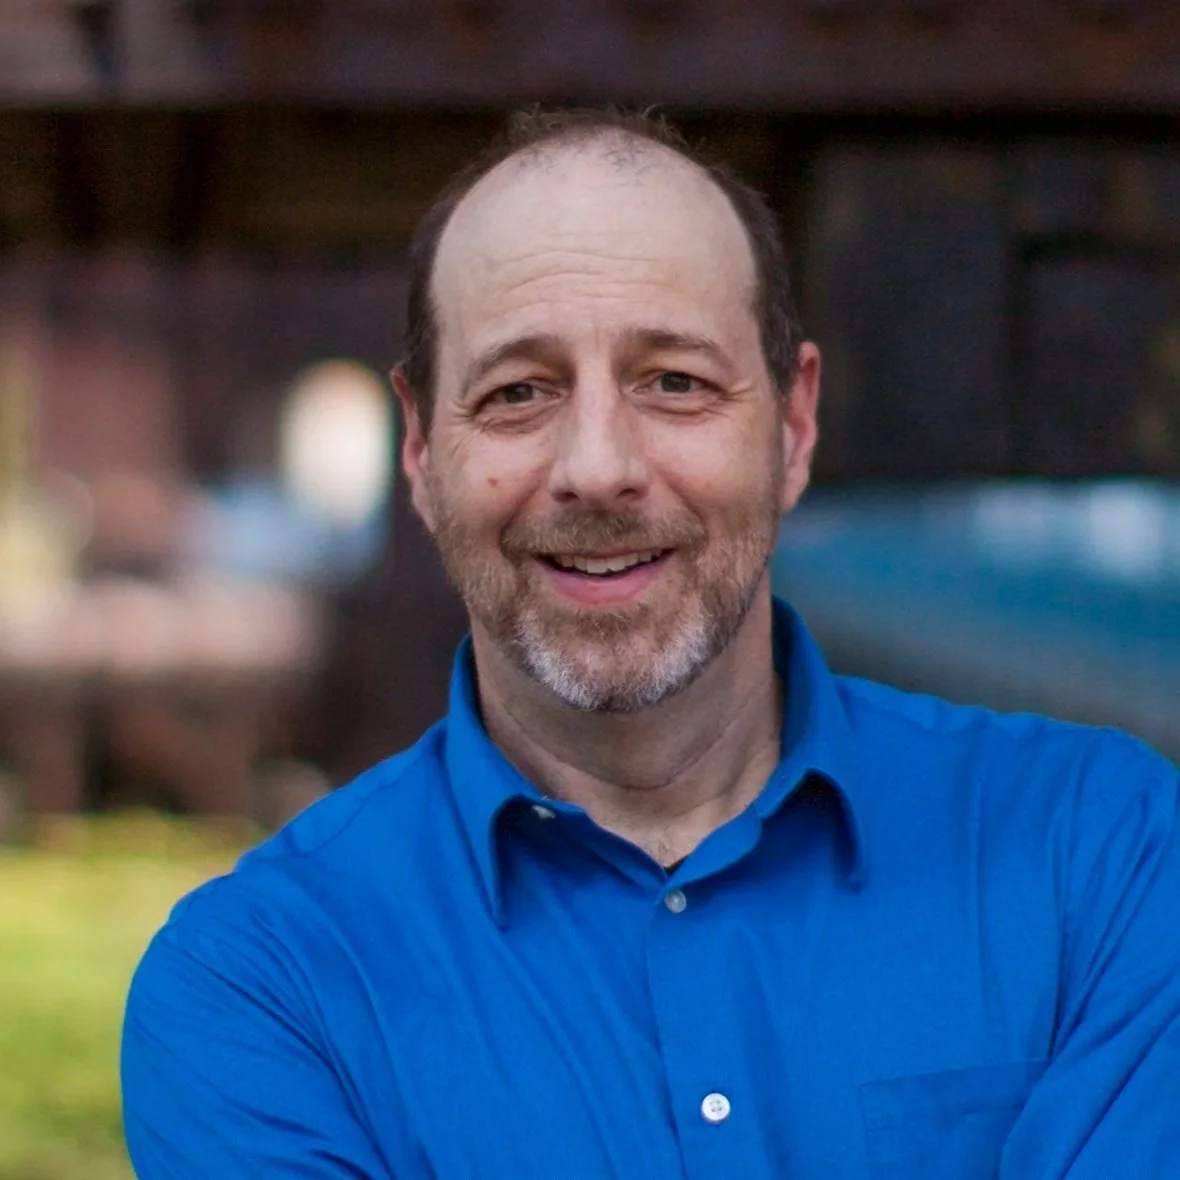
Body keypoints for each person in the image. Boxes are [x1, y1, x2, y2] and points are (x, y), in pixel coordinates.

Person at [121, 108, 1180, 1179]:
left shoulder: (1102, 854)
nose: (597, 468)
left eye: (673, 380)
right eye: (518, 392)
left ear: (792, 426)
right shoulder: (262, 985)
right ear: (421, 453)